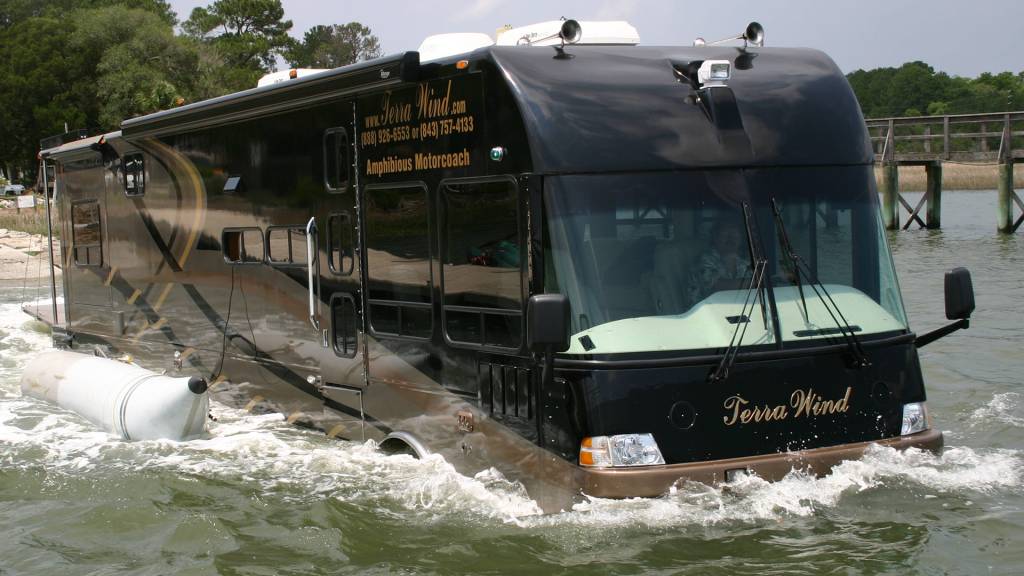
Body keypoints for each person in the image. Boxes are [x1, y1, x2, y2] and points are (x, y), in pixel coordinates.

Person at [688, 220, 751, 304]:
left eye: (735, 235)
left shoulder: (744, 262)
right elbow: (717, 287)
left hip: (737, 309)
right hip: (703, 313)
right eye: (725, 234)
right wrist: (756, 282)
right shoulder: (703, 260)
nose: (731, 239)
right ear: (715, 237)